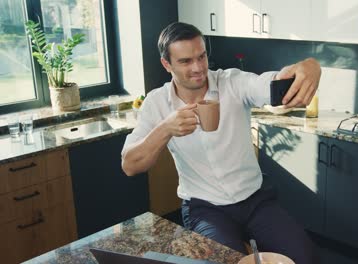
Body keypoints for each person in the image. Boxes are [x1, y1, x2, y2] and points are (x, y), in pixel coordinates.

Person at [121, 22, 321, 263]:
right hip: (205, 209)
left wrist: (309, 66)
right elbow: (130, 165)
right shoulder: (156, 103)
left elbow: (271, 84)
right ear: (167, 64)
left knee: (304, 257)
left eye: (201, 56)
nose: (197, 68)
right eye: (185, 61)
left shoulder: (232, 83)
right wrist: (165, 128)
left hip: (256, 200)